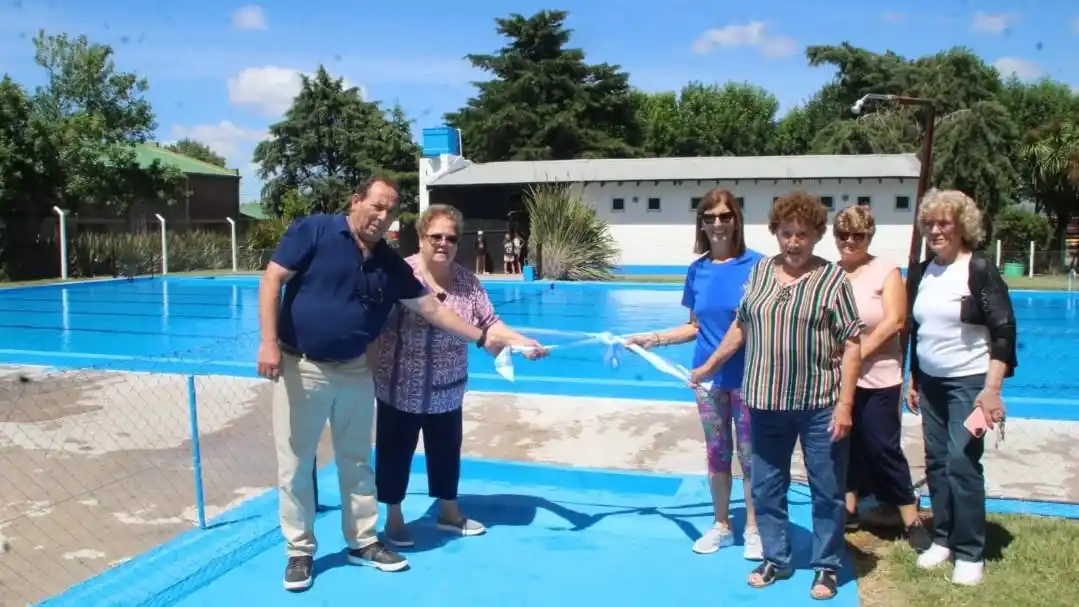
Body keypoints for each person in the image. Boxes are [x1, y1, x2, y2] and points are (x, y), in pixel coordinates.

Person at [256, 176, 541, 592]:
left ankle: (364, 541)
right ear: (357, 201)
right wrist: (268, 343)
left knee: (356, 462)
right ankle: (300, 551)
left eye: (389, 210)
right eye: (376, 206)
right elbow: (272, 279)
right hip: (303, 366)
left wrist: (485, 338)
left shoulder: (387, 262)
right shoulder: (315, 230)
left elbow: (433, 310)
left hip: (354, 371)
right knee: (297, 463)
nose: (382, 216)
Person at [690, 191, 862, 601]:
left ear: (817, 234)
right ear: (776, 233)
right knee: (767, 486)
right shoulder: (762, 273)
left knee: (826, 490)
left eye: (802, 234)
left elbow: (853, 342)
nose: (794, 242)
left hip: (819, 405)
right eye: (786, 233)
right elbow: (741, 327)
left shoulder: (832, 279)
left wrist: (845, 404)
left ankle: (825, 567)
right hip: (765, 402)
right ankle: (777, 558)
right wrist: (709, 368)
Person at [372, 205, 546, 547]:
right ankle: (394, 518)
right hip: (399, 386)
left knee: (446, 451)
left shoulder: (468, 282)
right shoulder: (401, 274)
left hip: (447, 388)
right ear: (422, 237)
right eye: (435, 236)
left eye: (450, 238)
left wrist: (523, 342)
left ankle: (449, 513)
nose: (443, 243)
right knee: (395, 452)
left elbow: (490, 322)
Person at [625, 188, 763, 559]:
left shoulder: (758, 266)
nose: (718, 223)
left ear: (737, 220)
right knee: (717, 454)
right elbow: (694, 326)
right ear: (701, 223)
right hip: (707, 383)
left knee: (751, 457)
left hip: (749, 378)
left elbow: (749, 326)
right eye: (710, 217)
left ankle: (753, 527)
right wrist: (651, 338)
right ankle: (722, 524)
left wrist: (709, 367)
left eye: (725, 216)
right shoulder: (697, 270)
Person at [907, 188, 1017, 586]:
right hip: (932, 384)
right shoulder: (923, 271)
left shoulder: (980, 269)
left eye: (945, 223)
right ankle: (943, 538)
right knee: (936, 462)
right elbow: (920, 331)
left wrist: (992, 389)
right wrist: (915, 378)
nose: (936, 230)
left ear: (962, 226)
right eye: (930, 223)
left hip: (970, 383)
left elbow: (1003, 331)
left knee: (961, 462)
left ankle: (970, 551)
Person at [832, 205, 931, 552]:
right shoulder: (831, 273)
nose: (849, 241)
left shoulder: (885, 270)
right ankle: (849, 509)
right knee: (843, 444)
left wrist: (856, 357)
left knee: (882, 446)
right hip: (839, 378)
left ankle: (910, 516)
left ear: (868, 236)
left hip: (880, 376)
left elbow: (895, 320)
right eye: (843, 235)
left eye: (857, 235)